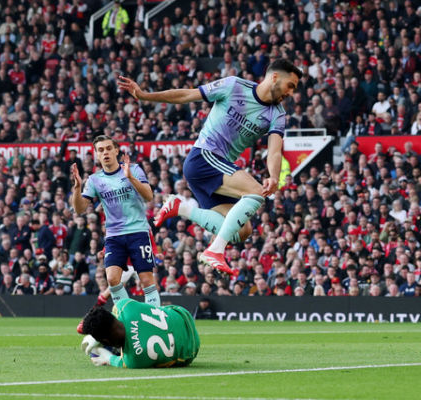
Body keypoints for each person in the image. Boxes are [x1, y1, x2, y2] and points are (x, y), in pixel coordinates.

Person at [118, 59, 302, 274]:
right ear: (275, 77)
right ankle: (214, 251)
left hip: (217, 170)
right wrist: (145, 96)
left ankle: (182, 207)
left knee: (242, 231)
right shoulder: (234, 86)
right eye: (291, 85)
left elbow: (274, 150)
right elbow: (187, 95)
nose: (291, 93)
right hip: (204, 158)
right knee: (255, 191)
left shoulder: (277, 114)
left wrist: (273, 174)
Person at [71, 136, 160, 307]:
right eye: (101, 150)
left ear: (116, 151)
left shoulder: (133, 169)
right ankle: (126, 315)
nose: (105, 152)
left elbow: (149, 196)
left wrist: (130, 178)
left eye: (108, 148)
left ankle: (156, 318)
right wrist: (77, 188)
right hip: (114, 235)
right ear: (97, 155)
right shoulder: (95, 180)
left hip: (138, 231)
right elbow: (80, 209)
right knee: (112, 279)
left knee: (146, 280)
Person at [80, 298, 200, 368]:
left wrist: (108, 358)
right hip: (182, 314)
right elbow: (112, 315)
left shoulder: (133, 359)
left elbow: (118, 361)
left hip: (191, 350)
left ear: (105, 340)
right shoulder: (124, 305)